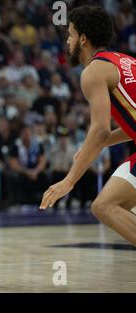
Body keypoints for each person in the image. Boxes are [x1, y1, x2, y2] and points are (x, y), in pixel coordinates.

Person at [40, 5, 136, 246]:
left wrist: (69, 181)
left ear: (83, 39)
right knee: (121, 207)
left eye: (70, 34)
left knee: (105, 206)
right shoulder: (125, 60)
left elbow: (100, 128)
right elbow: (126, 128)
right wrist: (93, 147)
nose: (67, 41)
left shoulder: (93, 72)